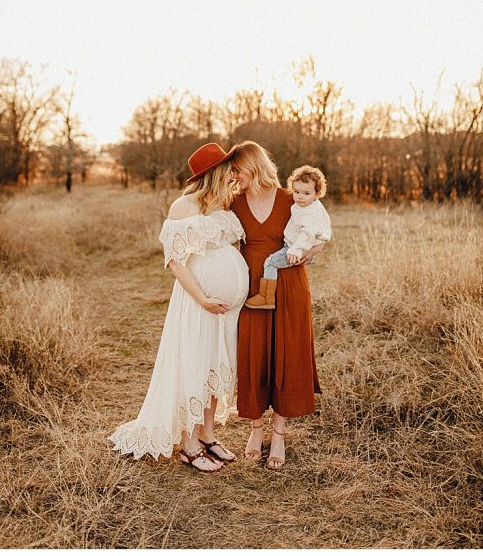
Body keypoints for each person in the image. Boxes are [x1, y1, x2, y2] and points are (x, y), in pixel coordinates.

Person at [110, 143, 249, 473]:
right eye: (227, 167)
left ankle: (208, 436)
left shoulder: (224, 203)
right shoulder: (183, 206)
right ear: (212, 173)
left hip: (227, 310)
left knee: (219, 366)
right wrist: (202, 297)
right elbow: (176, 261)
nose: (232, 173)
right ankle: (188, 445)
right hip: (199, 304)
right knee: (196, 366)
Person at [229, 141, 322, 470]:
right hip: (252, 287)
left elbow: (318, 231)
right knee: (254, 353)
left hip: (289, 284)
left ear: (253, 166)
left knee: (286, 352)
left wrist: (312, 249)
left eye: (237, 169)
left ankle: (279, 434)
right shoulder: (234, 202)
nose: (233, 175)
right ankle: (256, 430)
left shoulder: (291, 200)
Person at [245, 164, 332, 310]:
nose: (300, 196)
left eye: (306, 193)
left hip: (293, 249)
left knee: (270, 263)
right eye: (296, 191)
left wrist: (296, 251)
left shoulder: (310, 212)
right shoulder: (309, 205)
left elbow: (308, 233)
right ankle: (267, 296)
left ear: (317, 194)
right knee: (271, 262)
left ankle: (266, 297)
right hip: (294, 246)